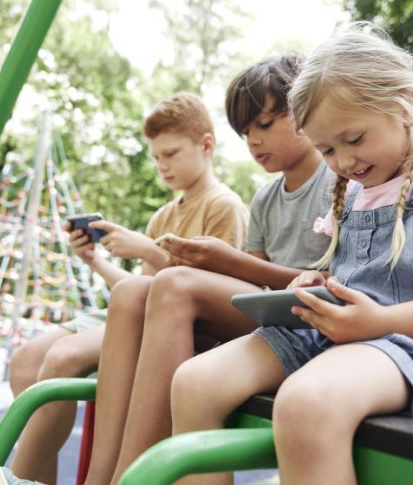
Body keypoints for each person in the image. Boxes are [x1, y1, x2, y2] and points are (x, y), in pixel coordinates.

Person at [170, 22, 413, 485]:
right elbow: (352, 276)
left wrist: (382, 322)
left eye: (353, 140)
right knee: (193, 382)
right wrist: (318, 284)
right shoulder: (351, 193)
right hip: (341, 336)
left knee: (305, 403)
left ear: (405, 103)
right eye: (327, 150)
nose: (343, 163)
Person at [83, 55, 337, 485]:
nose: (253, 141)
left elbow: (330, 282)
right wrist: (214, 263)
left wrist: (224, 260)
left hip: (313, 321)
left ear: (303, 112)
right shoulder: (265, 199)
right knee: (130, 294)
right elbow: (252, 289)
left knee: (175, 284)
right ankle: (100, 478)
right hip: (269, 320)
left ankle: (129, 477)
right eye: (244, 132)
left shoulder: (338, 181)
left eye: (264, 124)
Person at [0, 92, 249, 485]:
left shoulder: (222, 205)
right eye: (156, 157)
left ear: (206, 145)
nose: (162, 165)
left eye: (171, 154)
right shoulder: (164, 215)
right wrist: (97, 260)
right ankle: (38, 480)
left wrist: (147, 250)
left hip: (173, 324)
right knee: (25, 360)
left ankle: (21, 476)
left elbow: (214, 288)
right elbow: (136, 289)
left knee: (61, 359)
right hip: (135, 310)